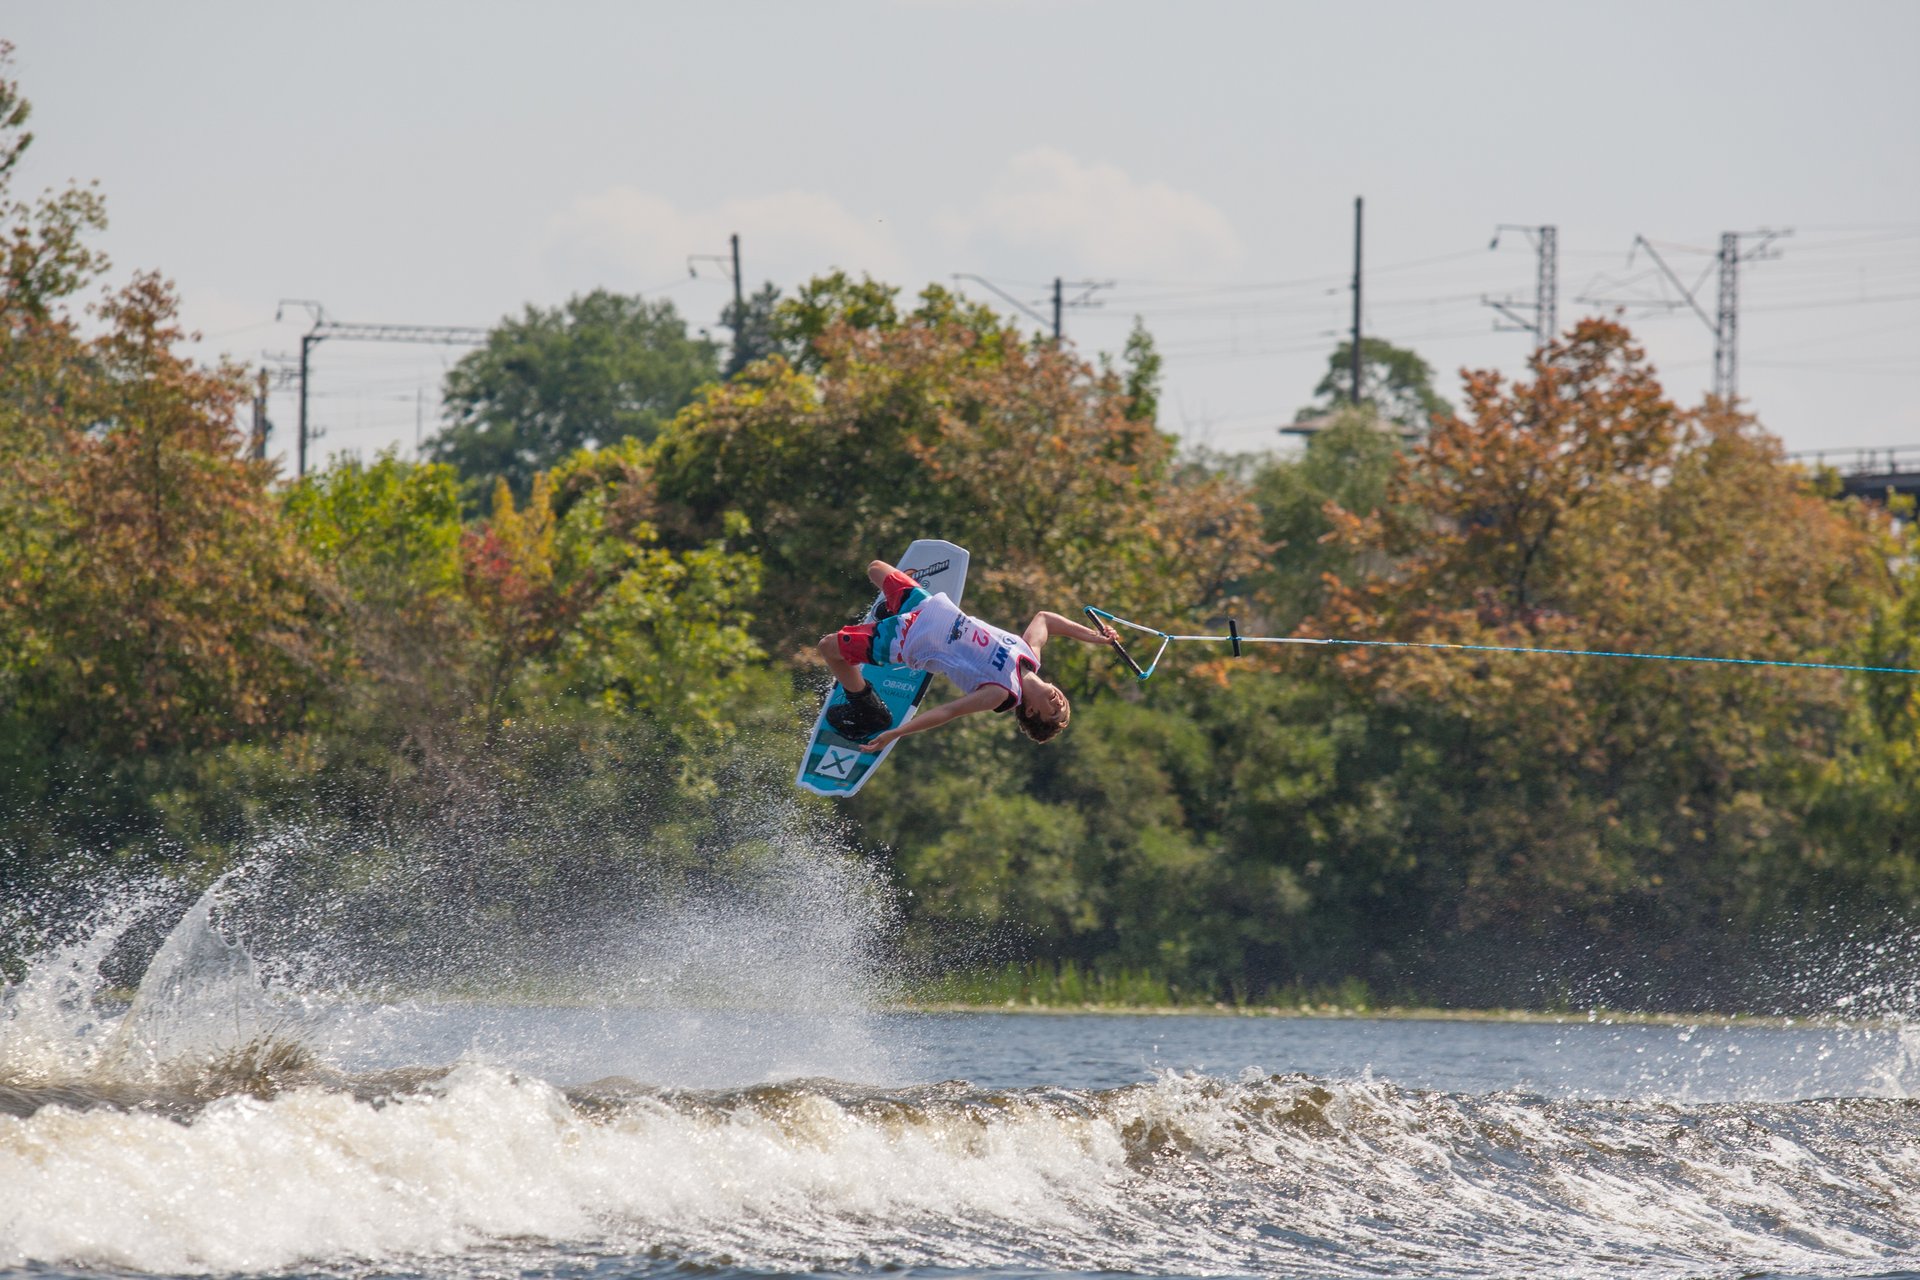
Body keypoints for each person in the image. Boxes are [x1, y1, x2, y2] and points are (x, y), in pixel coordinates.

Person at [818, 559, 1118, 752]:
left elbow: (948, 712)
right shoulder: (1029, 655)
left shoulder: (1001, 693)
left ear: (1030, 712)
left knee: (829, 648)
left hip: (908, 639)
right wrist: (1094, 636)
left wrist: (896, 732)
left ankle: (864, 703)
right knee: (875, 569)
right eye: (1064, 705)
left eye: (1054, 712)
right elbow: (1045, 619)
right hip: (930, 607)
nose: (1060, 703)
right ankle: (891, 610)